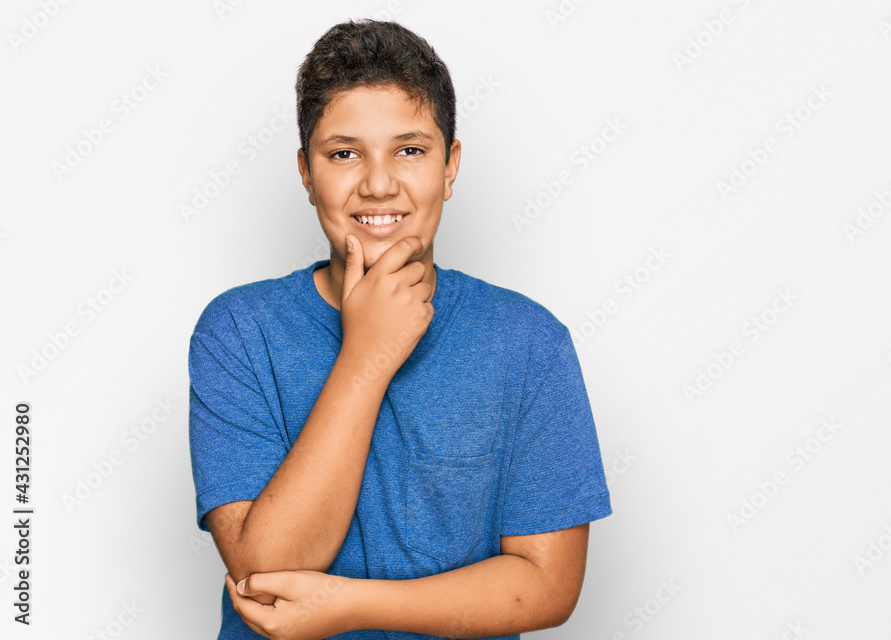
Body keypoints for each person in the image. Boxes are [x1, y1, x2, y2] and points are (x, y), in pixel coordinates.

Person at [187, 19, 612, 639]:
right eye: (344, 153)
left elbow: (548, 585)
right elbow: (266, 570)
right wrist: (367, 355)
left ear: (450, 166)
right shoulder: (237, 333)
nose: (379, 183)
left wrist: (352, 605)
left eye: (409, 150)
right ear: (306, 172)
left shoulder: (528, 342)